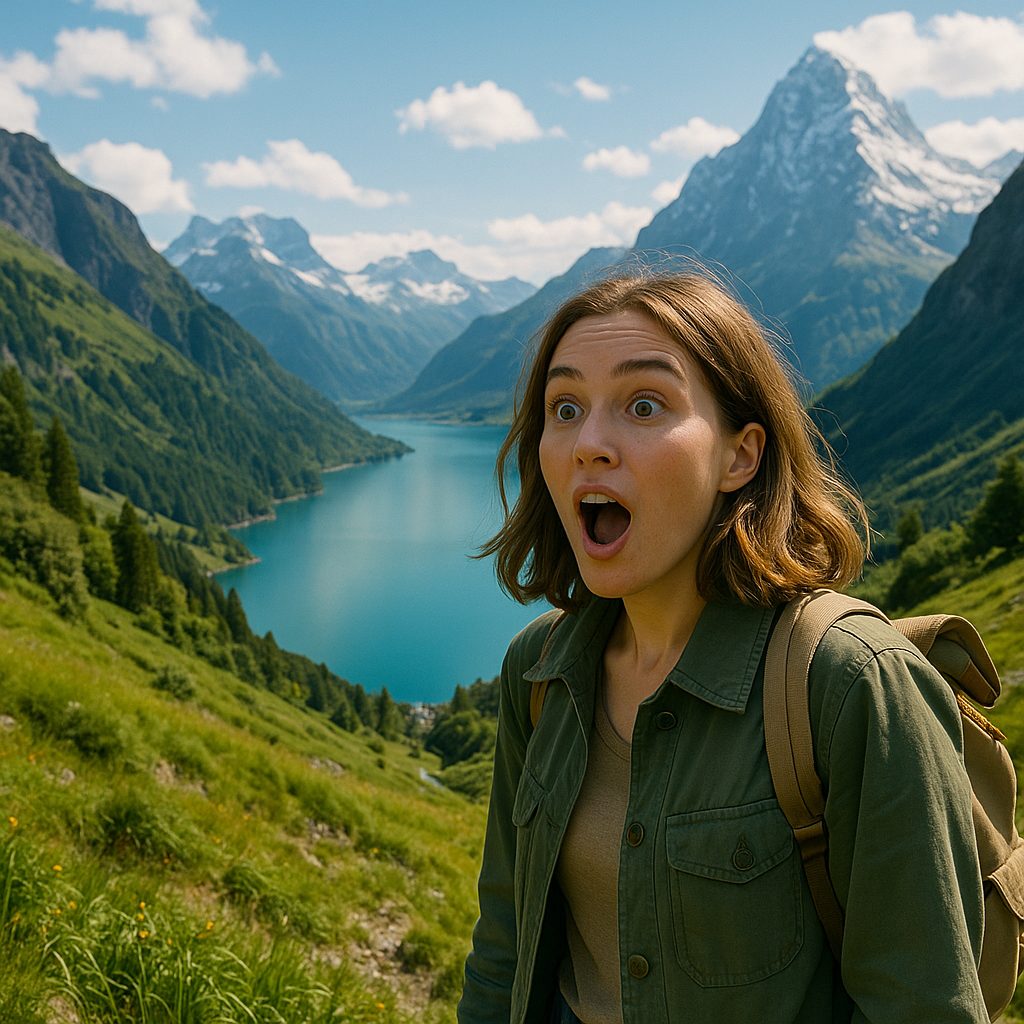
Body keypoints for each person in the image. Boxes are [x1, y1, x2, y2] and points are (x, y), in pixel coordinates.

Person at [456, 272, 988, 1024]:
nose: (588, 445)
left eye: (645, 405)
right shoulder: (540, 674)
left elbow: (924, 1006)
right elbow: (503, 952)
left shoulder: (851, 684)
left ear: (740, 456)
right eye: (564, 408)